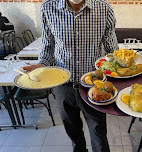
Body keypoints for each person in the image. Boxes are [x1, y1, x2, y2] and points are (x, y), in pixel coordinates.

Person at [23, 0, 118, 151]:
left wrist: (121, 71)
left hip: (93, 87)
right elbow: (48, 47)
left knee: (99, 134)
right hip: (63, 86)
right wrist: (42, 65)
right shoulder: (48, 8)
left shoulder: (104, 8)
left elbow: (112, 51)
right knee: (73, 133)